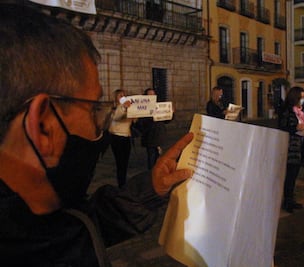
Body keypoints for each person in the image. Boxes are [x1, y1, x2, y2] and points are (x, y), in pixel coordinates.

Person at [0, 5, 194, 266]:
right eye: (93, 108)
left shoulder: (33, 211)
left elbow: (77, 225)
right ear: (43, 126)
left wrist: (150, 188)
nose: (97, 126)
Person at [278, 86, 304, 213]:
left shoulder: (298, 111)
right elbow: (283, 127)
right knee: (289, 175)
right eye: (301, 97)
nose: (303, 100)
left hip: (297, 145)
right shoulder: (286, 111)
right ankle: (287, 202)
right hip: (289, 147)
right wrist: (296, 127)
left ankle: (291, 199)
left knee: (294, 175)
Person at [136, 88, 171, 170]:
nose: (151, 96)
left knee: (159, 157)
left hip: (159, 135)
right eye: (149, 95)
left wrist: (171, 113)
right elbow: (140, 123)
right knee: (151, 157)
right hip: (149, 136)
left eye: (153, 95)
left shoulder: (160, 106)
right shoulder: (143, 107)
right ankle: (151, 174)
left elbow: (167, 120)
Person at [108, 89, 134, 188]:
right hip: (117, 137)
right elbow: (117, 117)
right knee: (120, 162)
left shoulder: (128, 108)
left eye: (124, 95)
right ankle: (121, 183)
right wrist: (123, 107)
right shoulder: (114, 108)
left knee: (125, 162)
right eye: (120, 96)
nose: (123, 97)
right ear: (116, 98)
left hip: (126, 136)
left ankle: (123, 181)